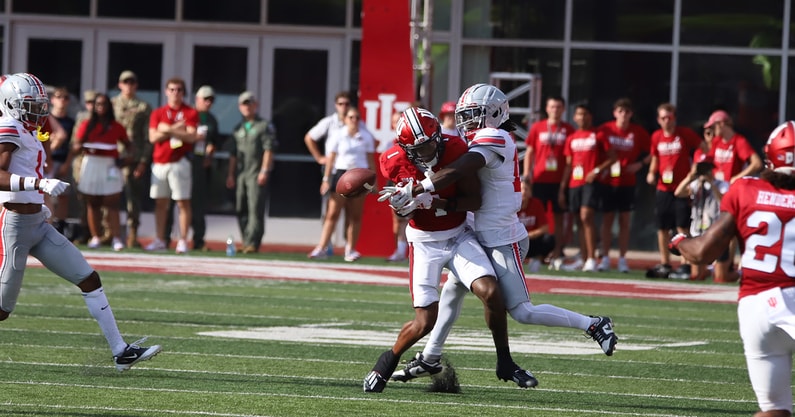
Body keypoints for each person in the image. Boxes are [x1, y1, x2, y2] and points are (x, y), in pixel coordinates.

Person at [387, 84, 618, 386]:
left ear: (494, 113)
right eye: (464, 116)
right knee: (453, 291)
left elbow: (459, 169)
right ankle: (430, 357)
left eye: (474, 116)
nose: (467, 123)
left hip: (502, 238)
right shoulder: (479, 136)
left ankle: (593, 324)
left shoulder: (496, 137)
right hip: (478, 232)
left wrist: (419, 187)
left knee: (522, 311)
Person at [364, 107, 534, 393]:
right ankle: (387, 361)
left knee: (492, 293)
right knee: (424, 321)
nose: (429, 150)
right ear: (406, 148)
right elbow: (402, 210)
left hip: (458, 235)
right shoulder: (393, 160)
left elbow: (474, 201)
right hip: (424, 241)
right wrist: (402, 205)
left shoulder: (455, 149)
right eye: (420, 147)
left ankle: (504, 361)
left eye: (431, 142)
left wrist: (435, 202)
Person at [0, 72, 161, 371]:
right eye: (30, 104)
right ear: (11, 104)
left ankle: (121, 351)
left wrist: (40, 198)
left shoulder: (27, 129)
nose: (38, 109)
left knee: (89, 278)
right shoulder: (8, 126)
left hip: (37, 223)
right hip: (13, 227)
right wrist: (39, 185)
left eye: (39, 103)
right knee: (1, 310)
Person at [669, 120, 795, 417]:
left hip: (754, 308)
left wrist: (679, 242)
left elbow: (702, 252)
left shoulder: (744, 189)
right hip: (790, 296)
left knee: (774, 411)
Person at [645, 103, 705, 278]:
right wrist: (651, 172)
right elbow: (655, 157)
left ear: (674, 118)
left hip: (682, 187)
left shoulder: (684, 134)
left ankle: (685, 263)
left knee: (682, 226)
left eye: (669, 117)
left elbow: (703, 148)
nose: (666, 121)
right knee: (662, 226)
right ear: (658, 120)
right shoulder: (656, 136)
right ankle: (665, 263)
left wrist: (695, 171)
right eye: (663, 118)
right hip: (664, 187)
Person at [308, 107, 375, 261]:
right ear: (345, 119)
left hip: (360, 175)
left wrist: (374, 180)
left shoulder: (365, 136)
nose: (354, 120)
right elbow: (331, 158)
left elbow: (371, 159)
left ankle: (350, 249)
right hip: (341, 174)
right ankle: (322, 247)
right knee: (332, 213)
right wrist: (326, 179)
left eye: (357, 117)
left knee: (355, 215)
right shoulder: (338, 135)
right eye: (351, 117)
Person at [558, 103, 616, 272]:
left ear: (590, 116)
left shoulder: (598, 134)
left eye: (585, 114)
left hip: (591, 182)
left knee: (586, 216)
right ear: (574, 117)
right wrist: (562, 188)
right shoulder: (572, 138)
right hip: (574, 183)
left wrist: (597, 170)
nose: (581, 117)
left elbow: (612, 157)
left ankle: (592, 258)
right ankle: (583, 259)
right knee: (579, 220)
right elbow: (568, 165)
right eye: (578, 114)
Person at [596, 97, 650, 272]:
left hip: (628, 182)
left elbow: (653, 151)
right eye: (620, 111)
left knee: (625, 221)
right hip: (608, 181)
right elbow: (594, 149)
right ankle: (604, 257)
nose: (623, 115)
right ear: (614, 113)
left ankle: (622, 258)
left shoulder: (638, 132)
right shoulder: (605, 129)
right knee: (607, 220)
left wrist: (640, 164)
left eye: (627, 112)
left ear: (631, 114)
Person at [73, 93, 131, 251]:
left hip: (110, 165)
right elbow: (77, 145)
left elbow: (128, 145)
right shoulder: (87, 124)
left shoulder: (116, 126)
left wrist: (125, 159)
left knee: (112, 202)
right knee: (93, 202)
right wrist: (82, 147)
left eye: (104, 104)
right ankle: (96, 236)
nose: (100, 107)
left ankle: (117, 238)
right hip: (91, 163)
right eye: (97, 104)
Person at [522, 96, 576, 269]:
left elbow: (570, 159)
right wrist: (526, 173)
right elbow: (530, 151)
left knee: (559, 218)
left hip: (559, 181)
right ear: (547, 108)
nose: (555, 109)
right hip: (539, 179)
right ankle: (534, 253)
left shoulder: (568, 129)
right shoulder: (538, 127)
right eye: (552, 106)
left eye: (559, 107)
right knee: (537, 215)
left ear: (564, 109)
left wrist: (565, 184)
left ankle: (558, 251)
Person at [146, 77, 198, 253]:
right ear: (167, 91)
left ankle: (182, 240)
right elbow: (153, 137)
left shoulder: (190, 112)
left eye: (179, 90)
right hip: (160, 162)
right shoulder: (158, 113)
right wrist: (176, 128)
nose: (176, 93)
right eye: (172, 89)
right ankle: (160, 239)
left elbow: (191, 136)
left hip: (179, 162)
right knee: (161, 203)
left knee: (182, 202)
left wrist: (166, 128)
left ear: (184, 93)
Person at [304, 91, 360, 256]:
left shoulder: (357, 123)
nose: (344, 107)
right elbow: (309, 137)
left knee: (351, 212)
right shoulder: (329, 122)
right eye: (341, 104)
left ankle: (348, 247)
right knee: (331, 210)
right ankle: (326, 245)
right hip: (334, 170)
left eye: (346, 104)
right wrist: (320, 157)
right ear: (336, 105)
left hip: (350, 171)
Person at [164, 85, 219, 251]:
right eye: (205, 99)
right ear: (197, 99)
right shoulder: (188, 113)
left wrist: (210, 151)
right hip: (183, 159)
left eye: (211, 100)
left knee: (196, 202)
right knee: (173, 200)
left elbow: (214, 141)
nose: (208, 103)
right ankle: (165, 237)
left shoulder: (211, 120)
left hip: (199, 164)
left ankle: (198, 239)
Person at [226, 91, 277, 254]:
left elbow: (269, 150)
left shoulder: (264, 126)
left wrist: (264, 171)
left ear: (256, 105)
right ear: (240, 107)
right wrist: (230, 174)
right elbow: (233, 154)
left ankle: (253, 243)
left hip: (256, 172)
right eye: (244, 104)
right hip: (241, 174)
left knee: (255, 208)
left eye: (250, 103)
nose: (247, 107)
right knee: (241, 207)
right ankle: (246, 240)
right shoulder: (237, 128)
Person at [673, 154, 734, 281]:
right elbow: (678, 192)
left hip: (716, 230)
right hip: (698, 230)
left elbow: (724, 201)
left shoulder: (722, 184)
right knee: (696, 275)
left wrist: (711, 184)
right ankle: (706, 271)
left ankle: (740, 273)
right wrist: (690, 177)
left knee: (721, 277)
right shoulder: (695, 184)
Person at [111, 70, 152, 248]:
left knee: (132, 198)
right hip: (112, 158)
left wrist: (143, 160)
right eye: (125, 82)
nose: (128, 85)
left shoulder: (143, 107)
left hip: (133, 158)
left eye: (131, 82)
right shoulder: (111, 104)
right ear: (120, 84)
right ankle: (109, 233)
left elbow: (146, 137)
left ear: (136, 85)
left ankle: (132, 234)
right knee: (108, 196)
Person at [704, 109, 762, 184]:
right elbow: (708, 160)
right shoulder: (716, 141)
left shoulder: (739, 141)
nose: (712, 130)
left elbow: (757, 164)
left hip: (729, 187)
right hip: (716, 185)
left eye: (713, 127)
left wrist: (737, 178)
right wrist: (708, 142)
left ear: (721, 123)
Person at [47, 86, 76, 234]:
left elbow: (72, 144)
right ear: (52, 100)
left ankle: (60, 226)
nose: (62, 101)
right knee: (47, 195)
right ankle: (47, 225)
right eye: (58, 97)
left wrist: (67, 163)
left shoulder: (71, 122)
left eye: (65, 97)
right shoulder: (45, 118)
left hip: (63, 160)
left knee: (63, 195)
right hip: (47, 161)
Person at [386, 110, 408, 262]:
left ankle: (410, 252)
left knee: (412, 219)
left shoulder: (411, 141)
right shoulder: (391, 143)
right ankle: (399, 251)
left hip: (412, 183)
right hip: (395, 182)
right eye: (394, 121)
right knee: (398, 219)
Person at [517, 195, 554, 273]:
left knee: (549, 239)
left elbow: (545, 228)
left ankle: (537, 259)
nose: (524, 192)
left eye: (526, 189)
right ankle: (518, 261)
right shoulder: (512, 204)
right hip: (517, 242)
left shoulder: (536, 203)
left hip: (532, 241)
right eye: (522, 189)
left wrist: (529, 235)